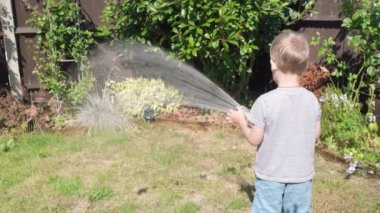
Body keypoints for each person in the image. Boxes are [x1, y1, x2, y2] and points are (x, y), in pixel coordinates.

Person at [227, 30, 321, 213]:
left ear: (273, 64)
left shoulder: (265, 102)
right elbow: (315, 133)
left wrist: (240, 121)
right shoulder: (312, 100)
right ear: (304, 67)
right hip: (302, 175)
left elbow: (255, 139)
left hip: (270, 175)